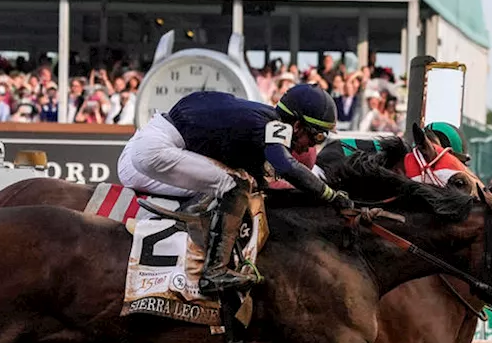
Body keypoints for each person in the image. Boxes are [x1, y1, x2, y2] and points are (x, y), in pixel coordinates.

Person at [117, 85, 350, 294]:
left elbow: (263, 181)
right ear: (297, 125)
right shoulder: (272, 125)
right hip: (154, 150)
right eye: (317, 136)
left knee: (236, 184)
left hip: (146, 146)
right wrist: (329, 195)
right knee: (233, 185)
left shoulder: (260, 120)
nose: (313, 145)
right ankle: (213, 272)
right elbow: (286, 166)